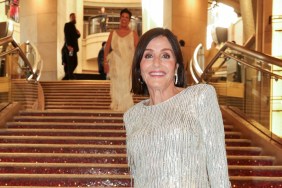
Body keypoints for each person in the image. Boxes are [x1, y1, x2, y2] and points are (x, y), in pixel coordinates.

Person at [124, 28, 231, 187]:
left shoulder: (200, 96)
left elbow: (218, 168)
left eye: (165, 55)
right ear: (139, 68)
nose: (157, 63)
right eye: (148, 55)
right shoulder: (132, 115)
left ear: (177, 67)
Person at [104, 8, 139, 111]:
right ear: (120, 18)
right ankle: (117, 105)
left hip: (128, 65)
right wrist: (105, 62)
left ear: (129, 20)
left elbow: (138, 50)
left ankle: (126, 108)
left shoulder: (134, 34)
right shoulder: (113, 33)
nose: (124, 19)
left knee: (126, 86)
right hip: (116, 64)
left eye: (127, 17)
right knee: (116, 86)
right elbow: (107, 48)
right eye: (123, 17)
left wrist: (137, 65)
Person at [63, 13, 81, 80]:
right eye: (73, 17)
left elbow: (76, 36)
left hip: (74, 49)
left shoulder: (74, 27)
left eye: (75, 17)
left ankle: (67, 76)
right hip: (70, 49)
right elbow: (66, 35)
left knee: (75, 63)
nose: (74, 18)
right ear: (70, 18)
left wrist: (79, 34)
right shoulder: (67, 25)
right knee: (71, 62)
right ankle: (70, 76)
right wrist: (68, 45)